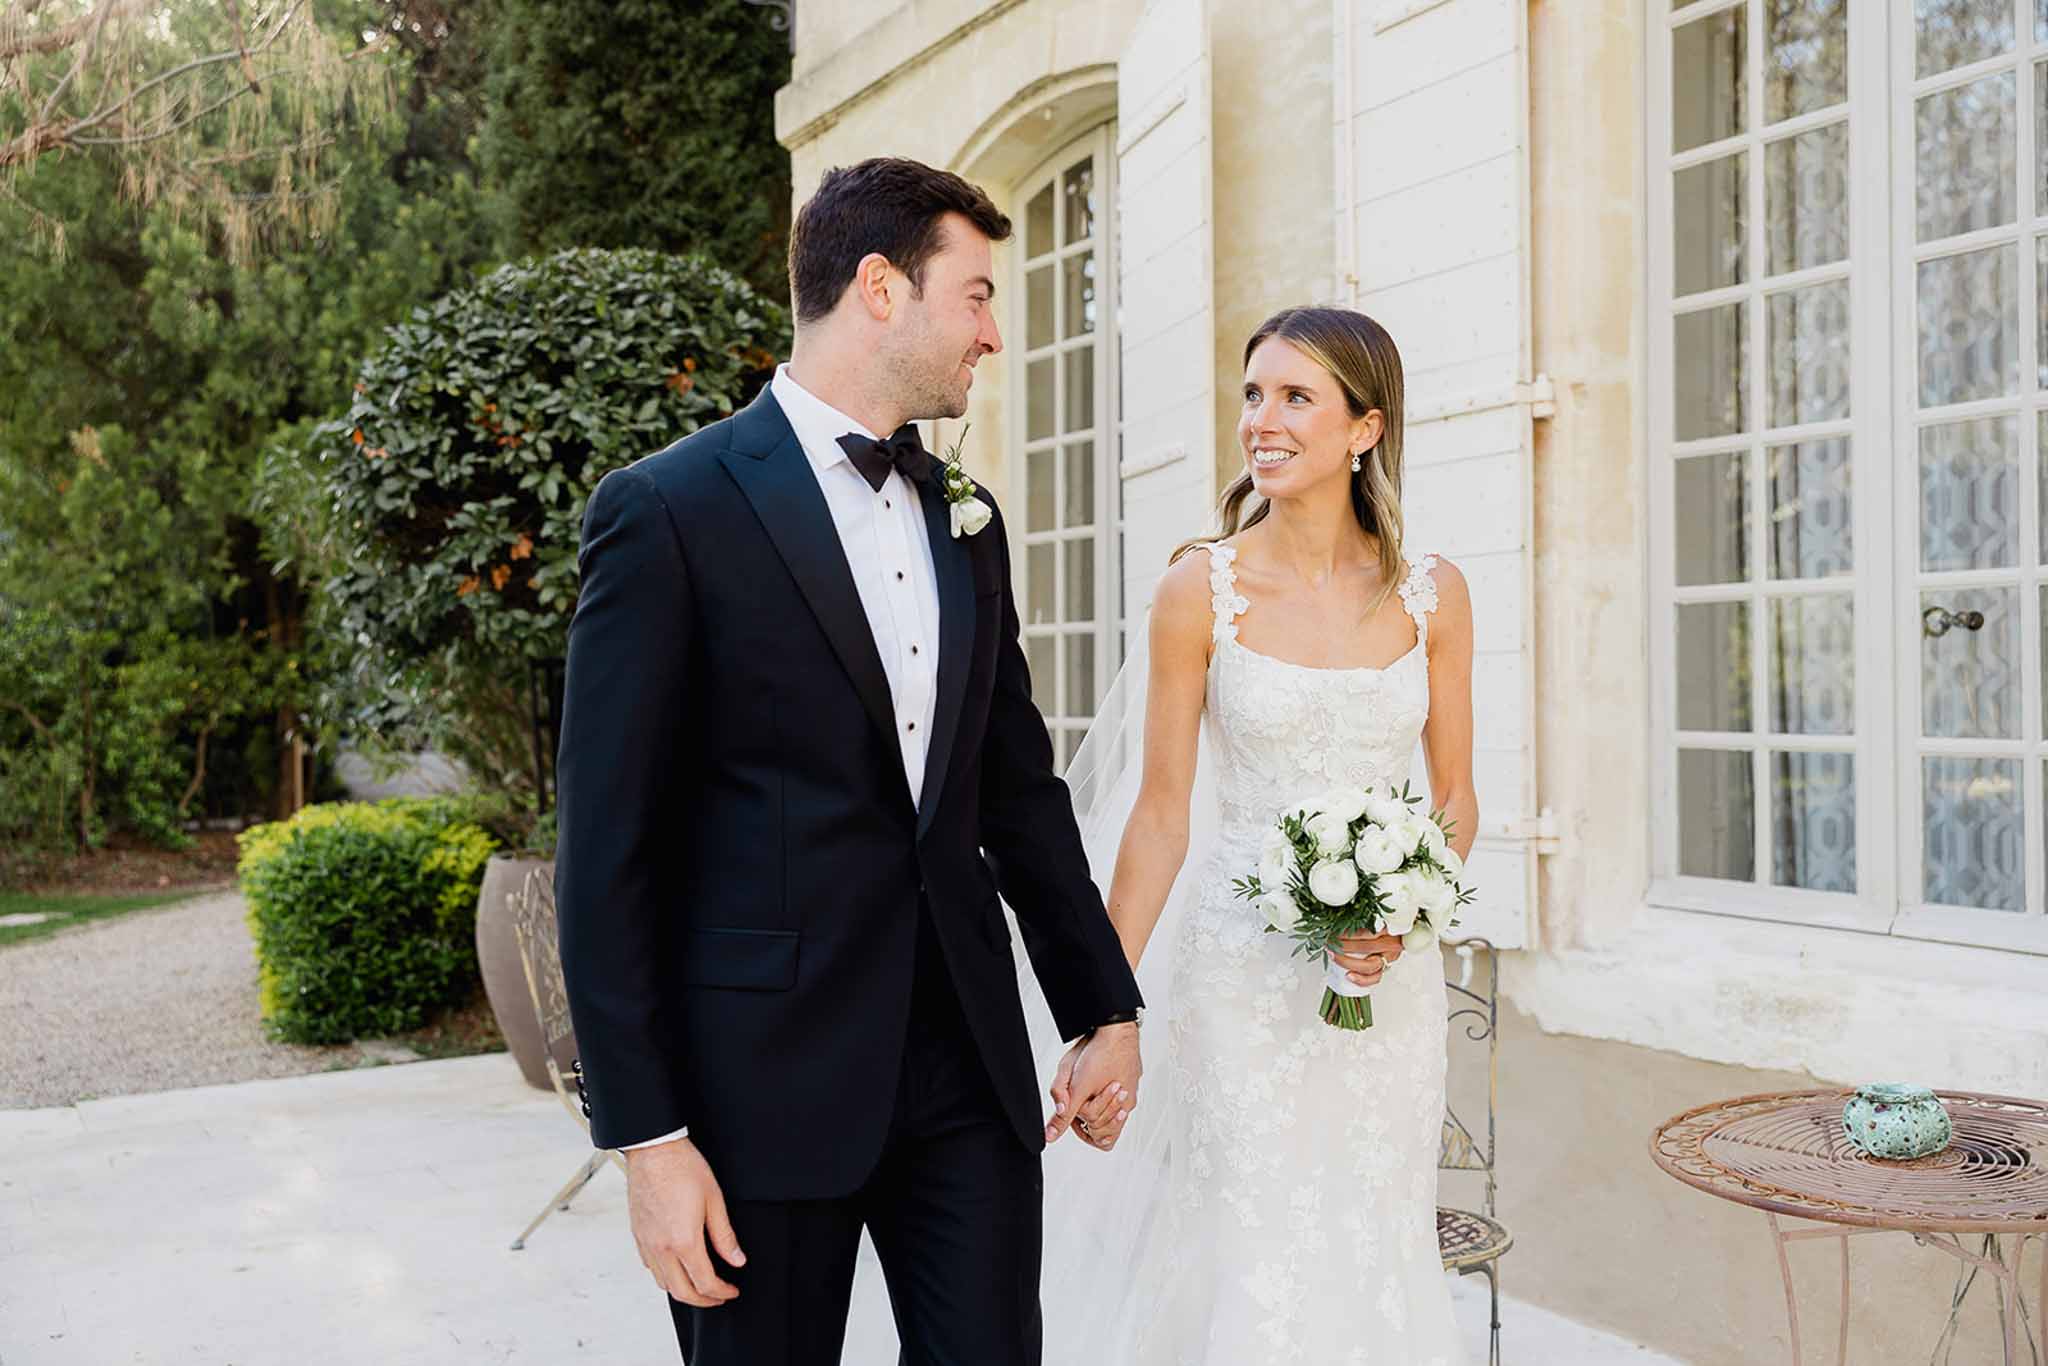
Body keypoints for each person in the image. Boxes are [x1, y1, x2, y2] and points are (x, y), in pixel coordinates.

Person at [552, 156, 1143, 1366]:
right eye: (974, 294)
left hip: (968, 1077)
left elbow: (1016, 790)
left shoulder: (964, 515)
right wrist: (647, 1141)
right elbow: (604, 854)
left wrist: (1102, 1007)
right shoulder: (666, 511)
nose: (991, 332)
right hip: (756, 1088)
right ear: (880, 288)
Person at [1036, 304, 1479, 1362]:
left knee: (1372, 1240)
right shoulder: (1201, 589)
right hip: (1239, 982)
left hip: (1387, 987)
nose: (1259, 420)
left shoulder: (1434, 595)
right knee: (1252, 1242)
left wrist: (1406, 910)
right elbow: (1157, 816)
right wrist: (1105, 1006)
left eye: (1293, 396)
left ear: (1363, 427)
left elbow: (1455, 800)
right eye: (1250, 394)